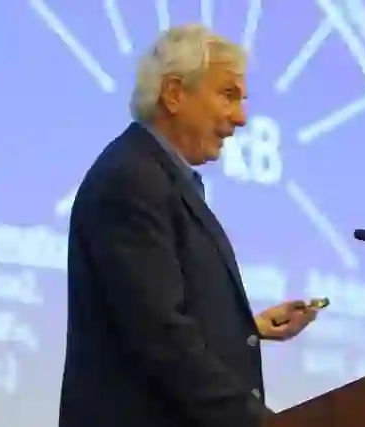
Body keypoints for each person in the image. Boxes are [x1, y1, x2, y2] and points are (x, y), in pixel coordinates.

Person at [59, 24, 318, 427]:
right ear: (174, 94)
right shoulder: (131, 180)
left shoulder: (158, 175)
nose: (241, 118)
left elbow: (152, 312)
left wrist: (245, 329)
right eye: (228, 95)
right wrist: (260, 423)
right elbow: (160, 336)